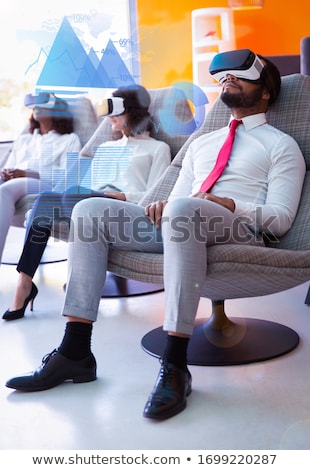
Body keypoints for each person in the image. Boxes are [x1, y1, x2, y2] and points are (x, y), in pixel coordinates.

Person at [5, 50, 306, 422]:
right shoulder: (201, 144)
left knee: (183, 210)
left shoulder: (281, 145)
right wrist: (162, 206)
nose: (229, 80)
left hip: (240, 229)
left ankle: (175, 365)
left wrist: (229, 204)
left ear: (264, 93)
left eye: (240, 77)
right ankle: (75, 352)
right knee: (89, 210)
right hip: (184, 223)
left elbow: (280, 220)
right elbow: (178, 200)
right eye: (224, 77)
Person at [2, 84, 171, 321]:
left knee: (69, 194)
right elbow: (89, 186)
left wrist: (121, 196)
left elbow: (155, 194)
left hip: (124, 208)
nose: (108, 118)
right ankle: (25, 284)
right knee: (45, 198)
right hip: (88, 202)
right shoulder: (105, 148)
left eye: (114, 111)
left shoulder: (158, 149)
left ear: (131, 111)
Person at [0, 93, 81, 268]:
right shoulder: (24, 139)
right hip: (14, 181)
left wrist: (26, 174)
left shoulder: (69, 140)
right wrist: (7, 172)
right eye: (35, 105)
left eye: (43, 104)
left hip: (44, 184)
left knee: (5, 191)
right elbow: (8, 166)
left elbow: (69, 176)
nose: (37, 106)